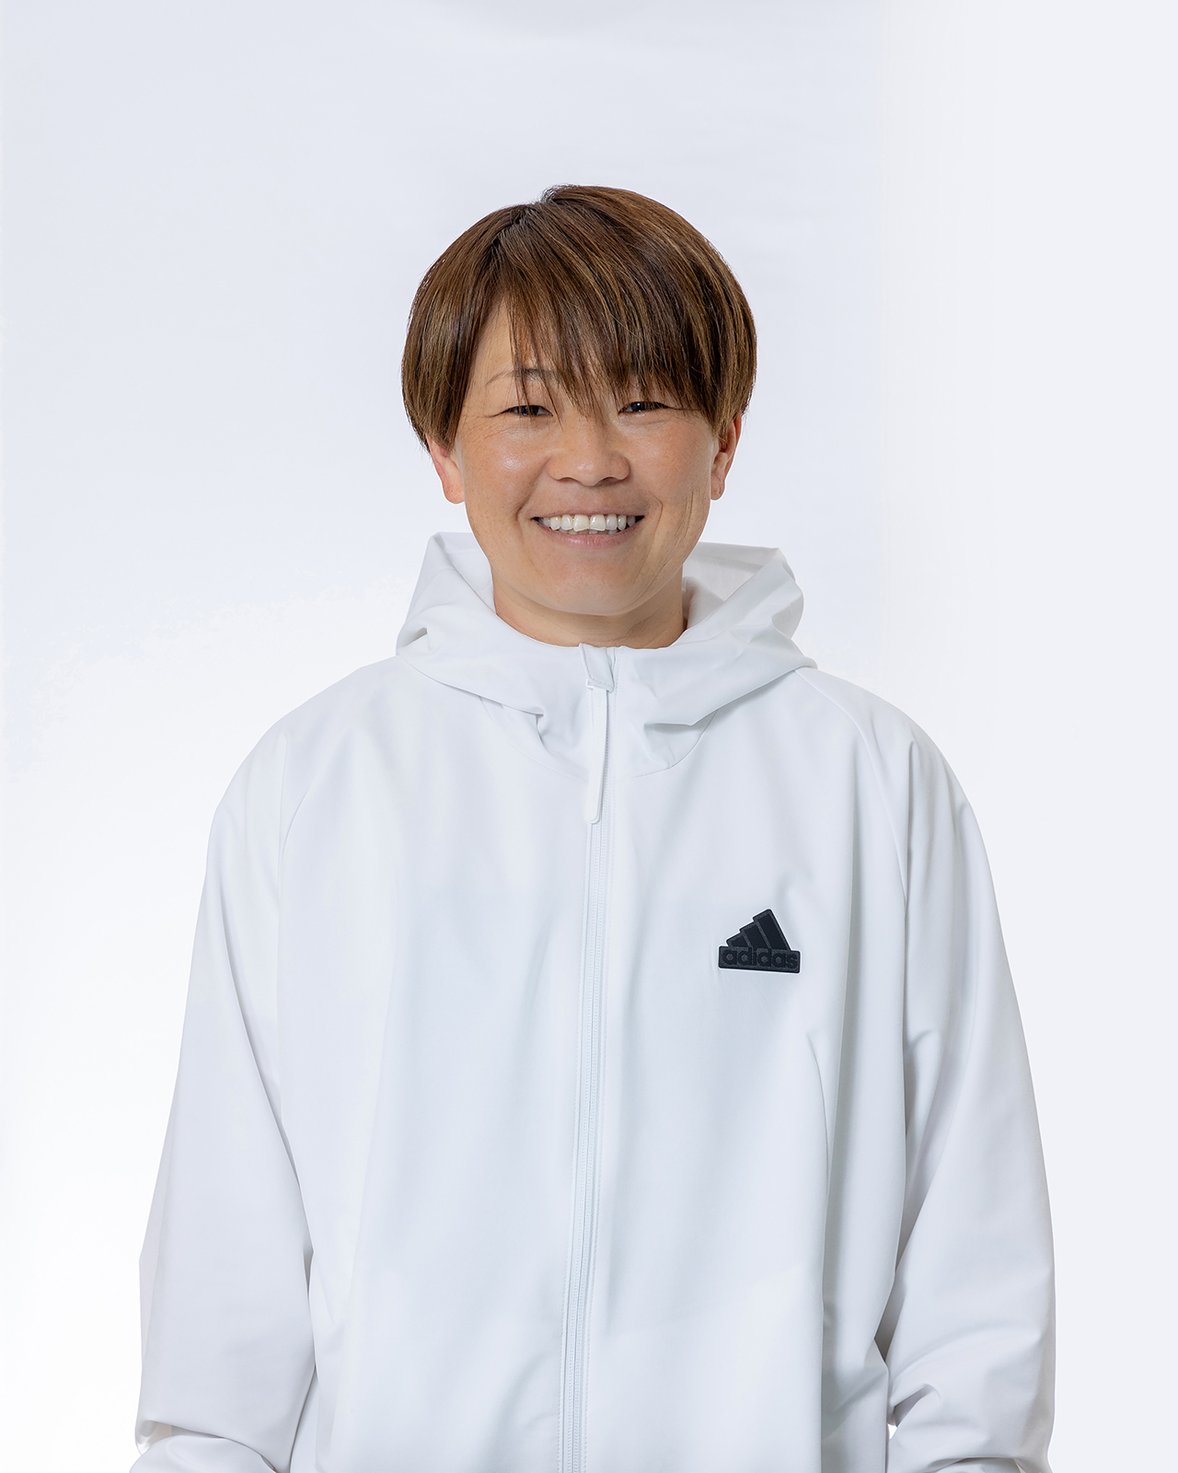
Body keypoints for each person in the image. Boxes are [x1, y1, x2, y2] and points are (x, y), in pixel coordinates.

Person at [131, 184, 1056, 1472]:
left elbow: (975, 1270)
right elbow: (222, 1309)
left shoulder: (871, 783)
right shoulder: (318, 785)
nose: (590, 461)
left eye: (644, 401)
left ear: (723, 442)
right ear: (443, 448)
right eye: (528, 409)